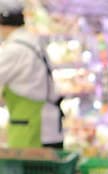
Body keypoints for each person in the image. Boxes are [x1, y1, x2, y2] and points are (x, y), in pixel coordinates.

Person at [0, 0, 62, 148]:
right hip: (47, 127)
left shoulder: (14, 50)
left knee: (30, 164)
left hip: (32, 131)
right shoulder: (32, 41)